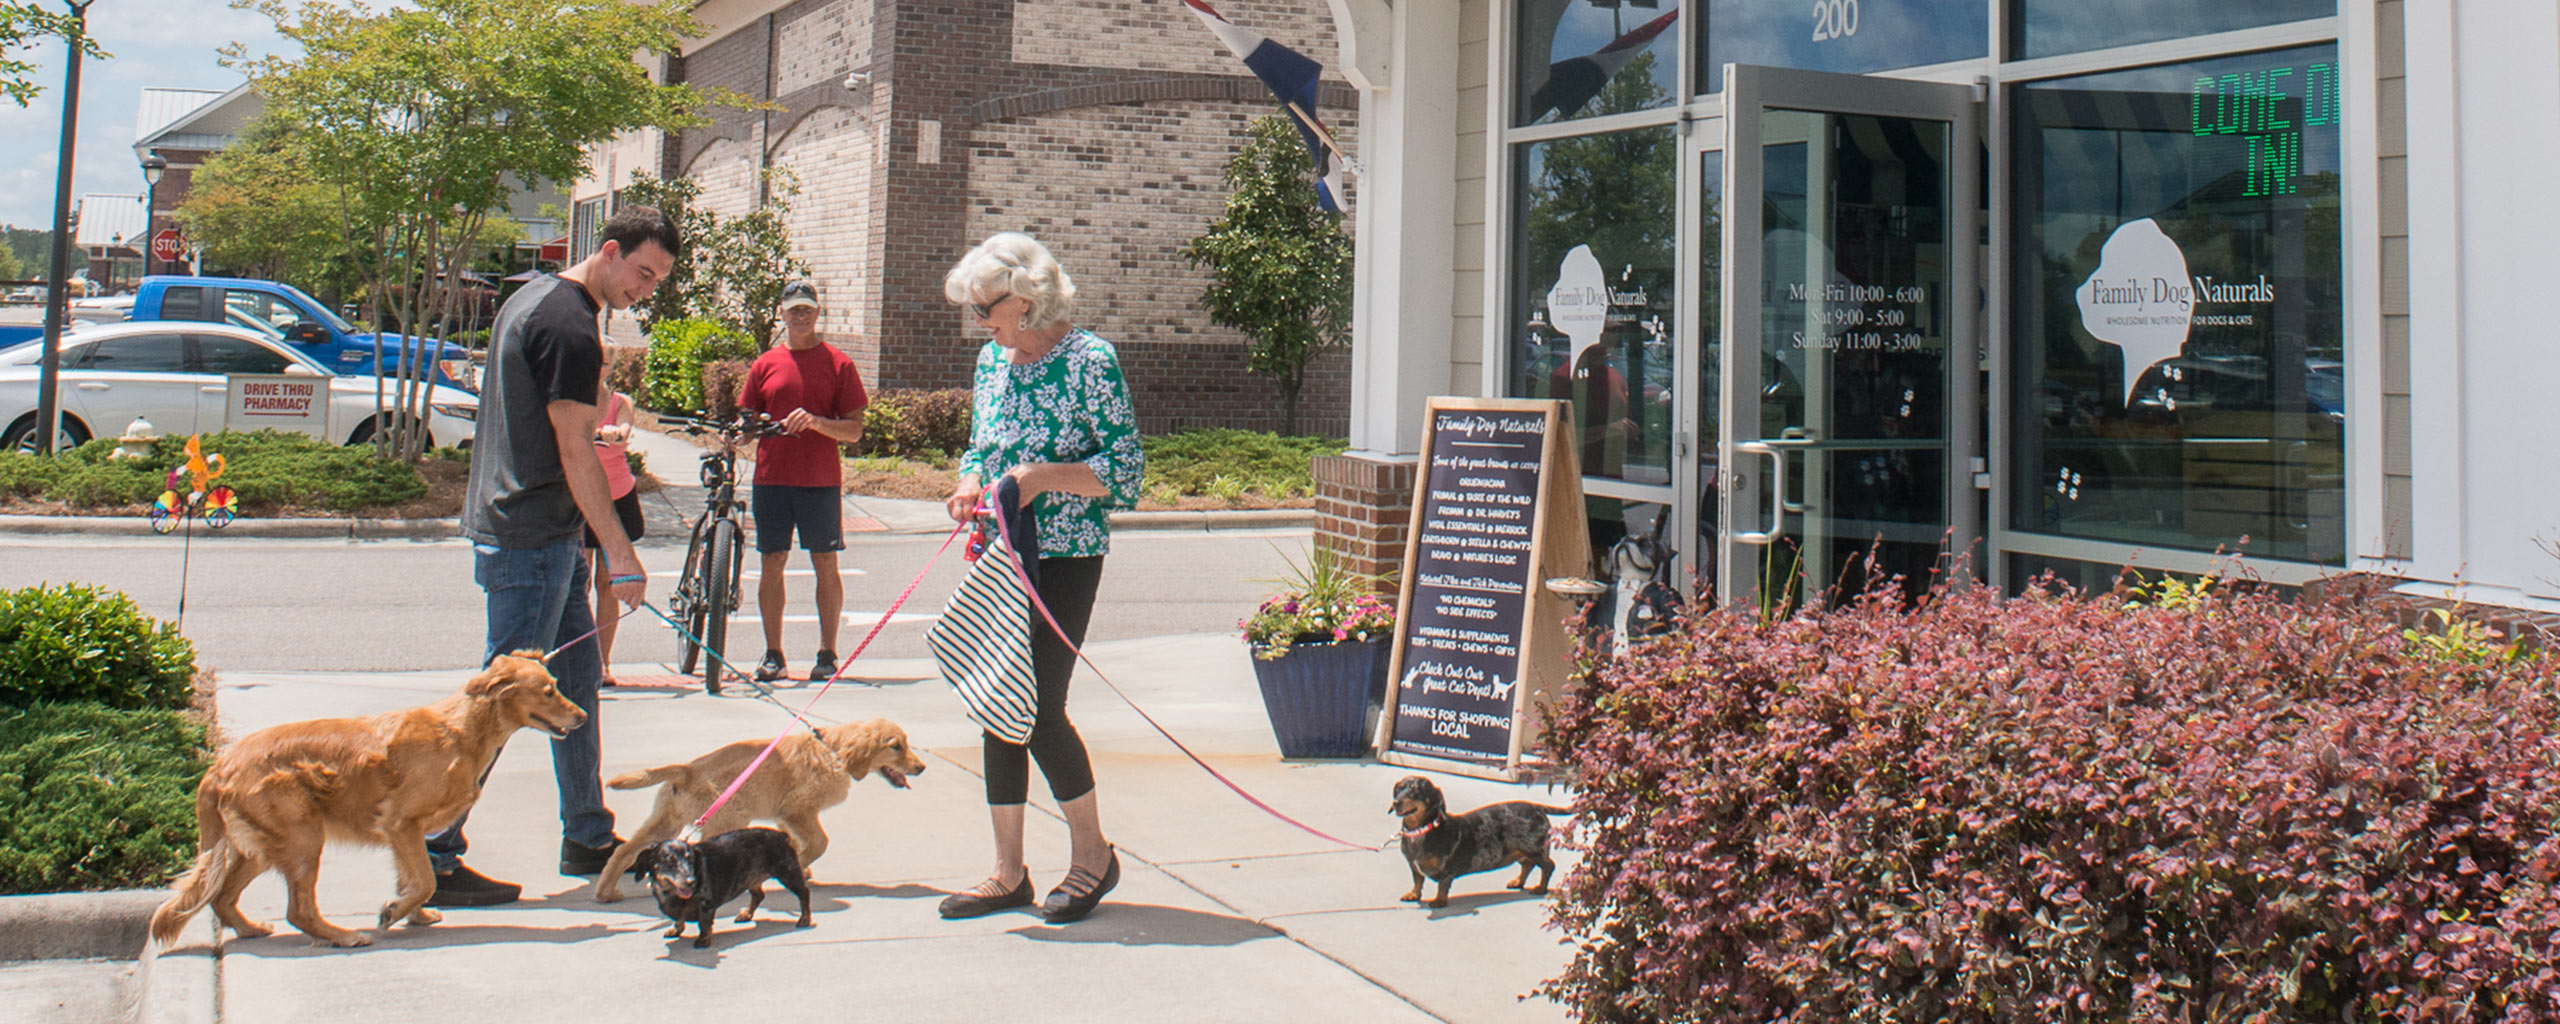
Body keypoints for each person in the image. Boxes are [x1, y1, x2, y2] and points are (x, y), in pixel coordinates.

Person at [432, 205, 679, 907]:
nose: (644, 289)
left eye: (656, 279)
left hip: (537, 532)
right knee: (498, 706)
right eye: (641, 273)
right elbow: (577, 451)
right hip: (532, 536)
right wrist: (622, 553)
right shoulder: (572, 326)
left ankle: (588, 836)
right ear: (607, 252)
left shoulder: (531, 299)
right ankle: (435, 853)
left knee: (573, 688)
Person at [933, 232, 1143, 925]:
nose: (980, 323)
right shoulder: (993, 361)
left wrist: (1039, 479)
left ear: (1024, 299)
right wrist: (970, 482)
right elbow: (979, 443)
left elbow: (1126, 474)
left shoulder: (1091, 362)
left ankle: (1093, 856)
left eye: (985, 307)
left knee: (1040, 707)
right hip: (1000, 555)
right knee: (1000, 703)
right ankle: (1007, 872)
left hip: (1065, 556)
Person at [739, 279, 869, 684]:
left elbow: (854, 430)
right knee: (772, 561)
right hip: (771, 478)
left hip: (819, 481)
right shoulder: (765, 364)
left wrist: (815, 422)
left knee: (825, 562)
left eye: (807, 310)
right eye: (794, 309)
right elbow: (746, 422)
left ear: (817, 314)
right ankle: (773, 653)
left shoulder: (838, 364)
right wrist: (739, 432)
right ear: (782, 313)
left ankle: (827, 653)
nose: (800, 316)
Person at [585, 374, 644, 687]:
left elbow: (623, 430)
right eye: (598, 360)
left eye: (606, 362)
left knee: (608, 583)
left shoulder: (620, 402)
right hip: (580, 494)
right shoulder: (576, 398)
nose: (600, 367)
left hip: (617, 494)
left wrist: (614, 433)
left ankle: (602, 661)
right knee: (578, 582)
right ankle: (580, 659)